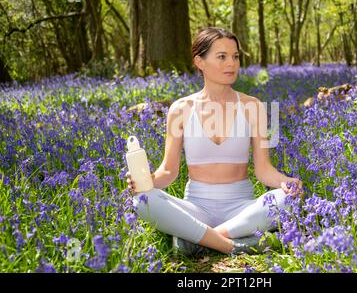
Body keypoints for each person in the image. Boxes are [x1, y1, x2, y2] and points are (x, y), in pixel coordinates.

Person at [126, 27, 303, 257]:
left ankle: (196, 239)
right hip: (196, 208)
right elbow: (168, 172)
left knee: (289, 200)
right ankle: (231, 244)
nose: (232, 63)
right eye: (222, 57)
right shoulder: (180, 109)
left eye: (235, 57)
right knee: (142, 200)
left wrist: (287, 182)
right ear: (199, 61)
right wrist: (146, 181)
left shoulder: (254, 107)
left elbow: (264, 170)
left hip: (242, 208)